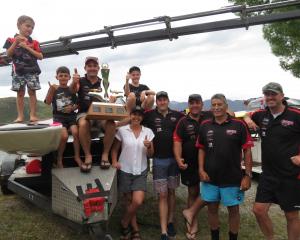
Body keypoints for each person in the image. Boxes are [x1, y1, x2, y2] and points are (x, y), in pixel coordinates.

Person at [244, 82, 300, 240]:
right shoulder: (262, 115)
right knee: (259, 211)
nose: (270, 97)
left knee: (291, 216)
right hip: (268, 174)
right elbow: (247, 115)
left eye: (273, 94)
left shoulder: (295, 115)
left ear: (281, 96)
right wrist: (248, 119)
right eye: (267, 94)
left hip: (290, 175)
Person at [197, 94, 253, 240]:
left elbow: (247, 150)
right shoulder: (205, 125)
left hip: (232, 177)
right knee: (212, 209)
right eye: (214, 105)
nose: (216, 107)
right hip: (210, 177)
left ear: (226, 106)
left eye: (219, 104)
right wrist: (201, 170)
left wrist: (247, 175)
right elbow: (201, 149)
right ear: (211, 107)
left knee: (233, 210)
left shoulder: (239, 125)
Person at [143, 91, 184, 240]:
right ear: (156, 102)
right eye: (159, 100)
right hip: (159, 160)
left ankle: (171, 221)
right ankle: (163, 231)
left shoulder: (178, 115)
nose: (161, 102)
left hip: (174, 159)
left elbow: (194, 118)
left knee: (172, 192)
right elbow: (134, 116)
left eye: (164, 99)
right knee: (162, 195)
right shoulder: (149, 115)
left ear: (168, 100)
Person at [173, 94, 213, 240]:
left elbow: (230, 114)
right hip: (190, 163)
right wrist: (178, 159)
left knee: (212, 191)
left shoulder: (210, 115)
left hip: (210, 161)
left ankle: (190, 212)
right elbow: (177, 141)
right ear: (188, 105)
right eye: (192, 103)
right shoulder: (183, 121)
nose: (195, 105)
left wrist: (246, 117)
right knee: (193, 191)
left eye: (197, 102)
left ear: (202, 104)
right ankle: (192, 222)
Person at [111, 106, 154, 240]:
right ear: (130, 115)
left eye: (139, 115)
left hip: (141, 170)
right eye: (134, 114)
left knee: (137, 201)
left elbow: (151, 154)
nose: (136, 117)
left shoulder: (148, 132)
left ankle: (124, 221)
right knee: (129, 201)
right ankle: (135, 230)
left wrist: (149, 146)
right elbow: (114, 150)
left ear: (142, 117)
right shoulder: (122, 131)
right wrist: (114, 161)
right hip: (125, 169)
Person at [70, 56, 116, 171]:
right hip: (84, 113)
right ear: (85, 68)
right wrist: (73, 82)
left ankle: (105, 155)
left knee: (111, 124)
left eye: (94, 66)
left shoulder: (104, 82)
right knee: (84, 123)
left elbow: (105, 98)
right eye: (89, 66)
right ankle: (87, 155)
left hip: (100, 114)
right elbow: (73, 90)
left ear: (98, 68)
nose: (92, 68)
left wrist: (111, 101)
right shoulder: (80, 81)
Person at [3, 15, 43, 123]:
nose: (30, 29)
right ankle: (20, 116)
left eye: (32, 28)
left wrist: (27, 47)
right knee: (20, 93)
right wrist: (16, 42)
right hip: (18, 71)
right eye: (28, 26)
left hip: (32, 70)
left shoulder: (34, 42)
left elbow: (40, 56)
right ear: (19, 25)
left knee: (32, 92)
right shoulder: (10, 40)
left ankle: (33, 115)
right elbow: (9, 54)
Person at [44, 66, 82, 168]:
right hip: (58, 117)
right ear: (56, 77)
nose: (63, 77)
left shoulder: (71, 89)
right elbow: (47, 102)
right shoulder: (54, 88)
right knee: (64, 136)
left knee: (75, 132)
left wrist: (73, 108)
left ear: (69, 77)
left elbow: (78, 103)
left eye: (65, 76)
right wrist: (51, 89)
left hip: (71, 116)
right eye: (61, 75)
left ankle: (77, 156)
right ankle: (59, 158)